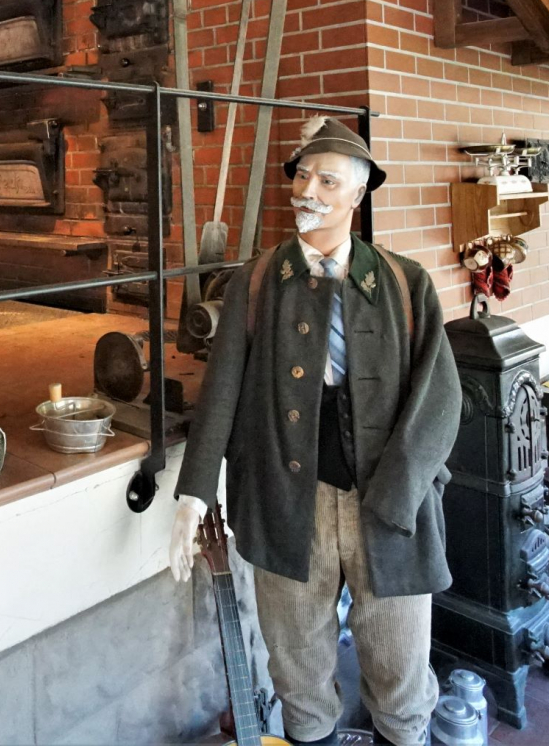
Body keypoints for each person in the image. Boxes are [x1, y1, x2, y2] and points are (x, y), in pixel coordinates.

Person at [169, 117, 460, 746]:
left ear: (358, 194)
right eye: (303, 176)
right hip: (284, 505)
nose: (309, 190)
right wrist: (194, 494)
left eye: (328, 180)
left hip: (388, 507)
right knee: (298, 674)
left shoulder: (405, 283)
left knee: (402, 674)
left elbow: (440, 398)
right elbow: (221, 391)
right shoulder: (254, 282)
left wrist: (404, 490)